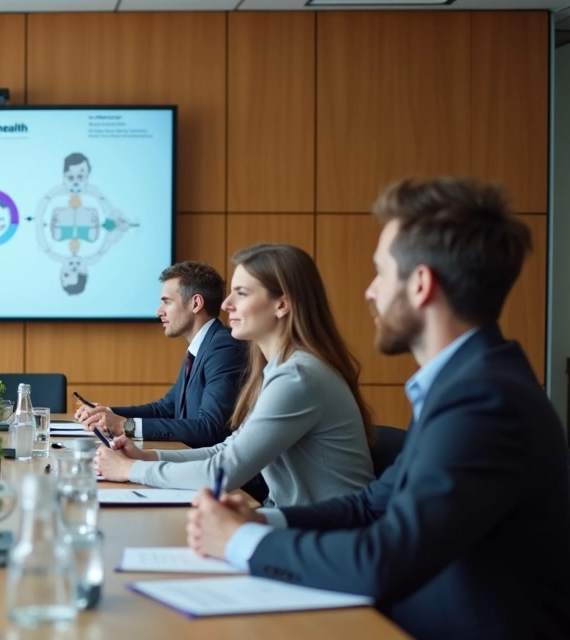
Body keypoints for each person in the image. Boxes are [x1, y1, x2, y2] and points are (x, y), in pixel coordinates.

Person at [187, 178, 570, 639]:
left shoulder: (485, 401)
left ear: (422, 284)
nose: (370, 291)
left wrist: (241, 541)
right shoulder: (467, 383)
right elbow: (372, 504)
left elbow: (383, 560)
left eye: (381, 273)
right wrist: (259, 518)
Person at [96, 244, 375, 508]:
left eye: (241, 293)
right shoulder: (278, 370)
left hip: (326, 541)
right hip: (299, 527)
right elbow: (224, 450)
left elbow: (223, 471)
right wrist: (148, 457)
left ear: (281, 305)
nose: (227, 304)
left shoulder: (298, 376)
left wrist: (133, 469)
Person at [75, 261, 246, 447]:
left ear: (196, 303)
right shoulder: (202, 346)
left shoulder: (223, 348)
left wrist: (126, 426)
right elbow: (165, 409)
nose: (159, 312)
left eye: (167, 302)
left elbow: (209, 428)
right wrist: (104, 413)